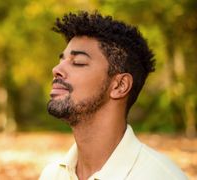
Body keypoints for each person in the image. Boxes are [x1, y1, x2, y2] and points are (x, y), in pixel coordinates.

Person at [39, 11, 187, 180]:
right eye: (61, 61)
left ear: (120, 86)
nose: (56, 70)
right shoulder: (51, 175)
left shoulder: (161, 177)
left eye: (78, 62)